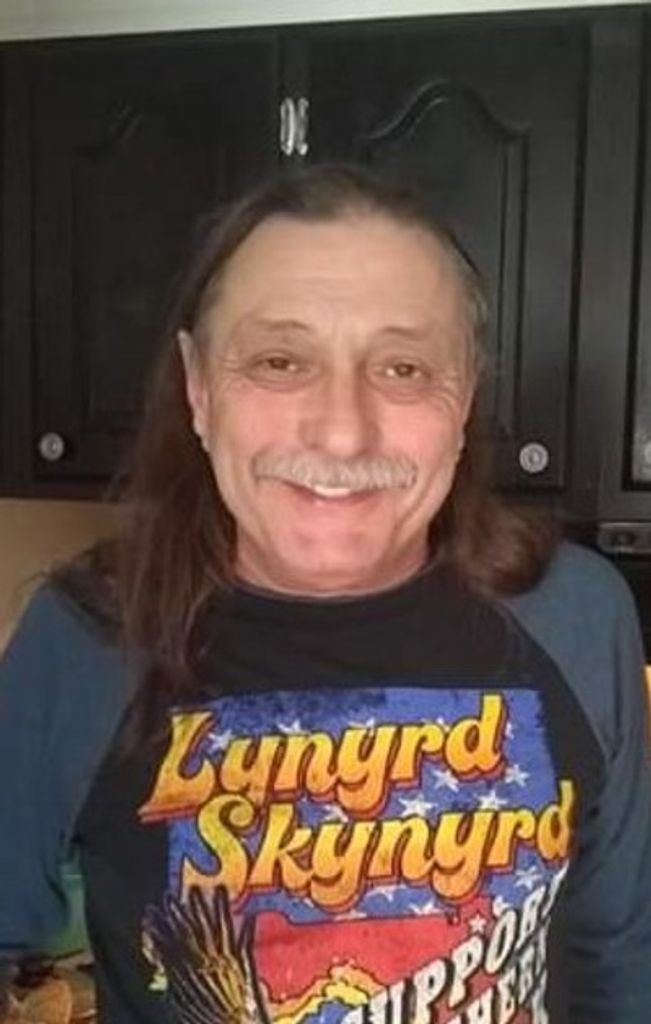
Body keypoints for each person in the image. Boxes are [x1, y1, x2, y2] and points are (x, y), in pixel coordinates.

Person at [1, 164, 650, 1024]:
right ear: (198, 388)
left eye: (404, 368)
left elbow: (619, 965)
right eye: (280, 361)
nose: (342, 431)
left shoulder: (576, 615)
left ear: (464, 399)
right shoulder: (83, 641)